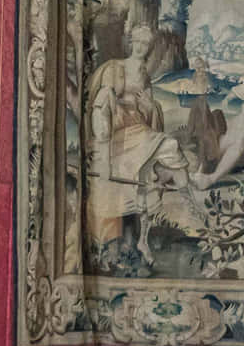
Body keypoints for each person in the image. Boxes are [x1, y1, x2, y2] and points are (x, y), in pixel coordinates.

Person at [85, 17, 199, 263]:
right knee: (169, 146)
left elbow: (150, 110)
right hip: (122, 133)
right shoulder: (117, 68)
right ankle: (189, 199)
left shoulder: (145, 73)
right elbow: (105, 99)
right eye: (137, 42)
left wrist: (150, 105)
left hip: (140, 129)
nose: (140, 47)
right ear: (131, 43)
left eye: (145, 44)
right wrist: (117, 111)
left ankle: (185, 206)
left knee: (157, 165)